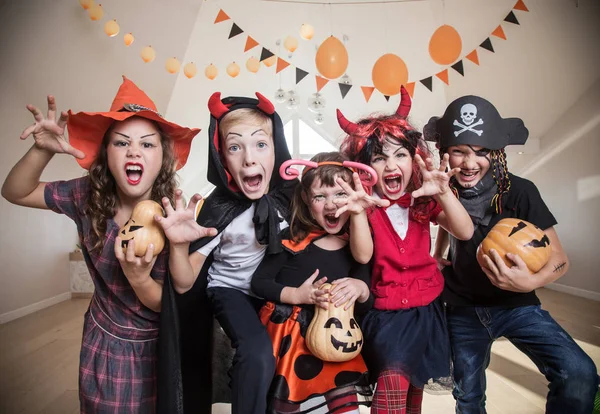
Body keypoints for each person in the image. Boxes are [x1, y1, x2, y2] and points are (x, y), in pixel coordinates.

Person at [1, 76, 201, 413]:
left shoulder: (175, 216)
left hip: (162, 343)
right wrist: (41, 150)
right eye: (121, 143)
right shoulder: (85, 196)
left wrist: (138, 279)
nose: (134, 150)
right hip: (105, 341)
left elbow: (170, 304)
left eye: (147, 144)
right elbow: (15, 191)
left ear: (164, 157)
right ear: (105, 153)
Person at [425, 94, 598, 414]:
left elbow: (560, 258)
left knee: (579, 372)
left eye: (481, 152)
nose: (469, 162)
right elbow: (452, 225)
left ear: (497, 153)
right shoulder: (442, 192)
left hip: (517, 306)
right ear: (444, 153)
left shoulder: (521, 191)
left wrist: (527, 281)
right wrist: (438, 252)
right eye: (459, 151)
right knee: (468, 395)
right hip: (462, 309)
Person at [156, 92, 297, 414]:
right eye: (235, 147)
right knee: (258, 352)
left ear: (277, 149)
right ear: (221, 157)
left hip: (275, 289)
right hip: (231, 290)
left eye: (260, 144)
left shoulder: (292, 198)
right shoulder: (217, 208)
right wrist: (178, 245)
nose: (249, 158)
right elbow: (183, 282)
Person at [338, 87, 474, 414]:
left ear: (414, 161)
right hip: (385, 318)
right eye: (379, 157)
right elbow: (362, 255)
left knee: (414, 396)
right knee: (389, 398)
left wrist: (443, 193)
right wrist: (358, 213)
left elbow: (465, 231)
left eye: (400, 155)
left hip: (426, 313)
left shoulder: (425, 202)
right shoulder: (367, 209)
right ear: (365, 168)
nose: (391, 165)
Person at [252, 151, 389, 413]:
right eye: (320, 196)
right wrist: (298, 295)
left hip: (337, 339)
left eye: (340, 194)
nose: (331, 205)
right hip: (293, 343)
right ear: (305, 198)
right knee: (298, 404)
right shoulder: (291, 240)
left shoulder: (356, 247)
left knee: (346, 408)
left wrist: (360, 289)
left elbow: (366, 301)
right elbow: (260, 283)